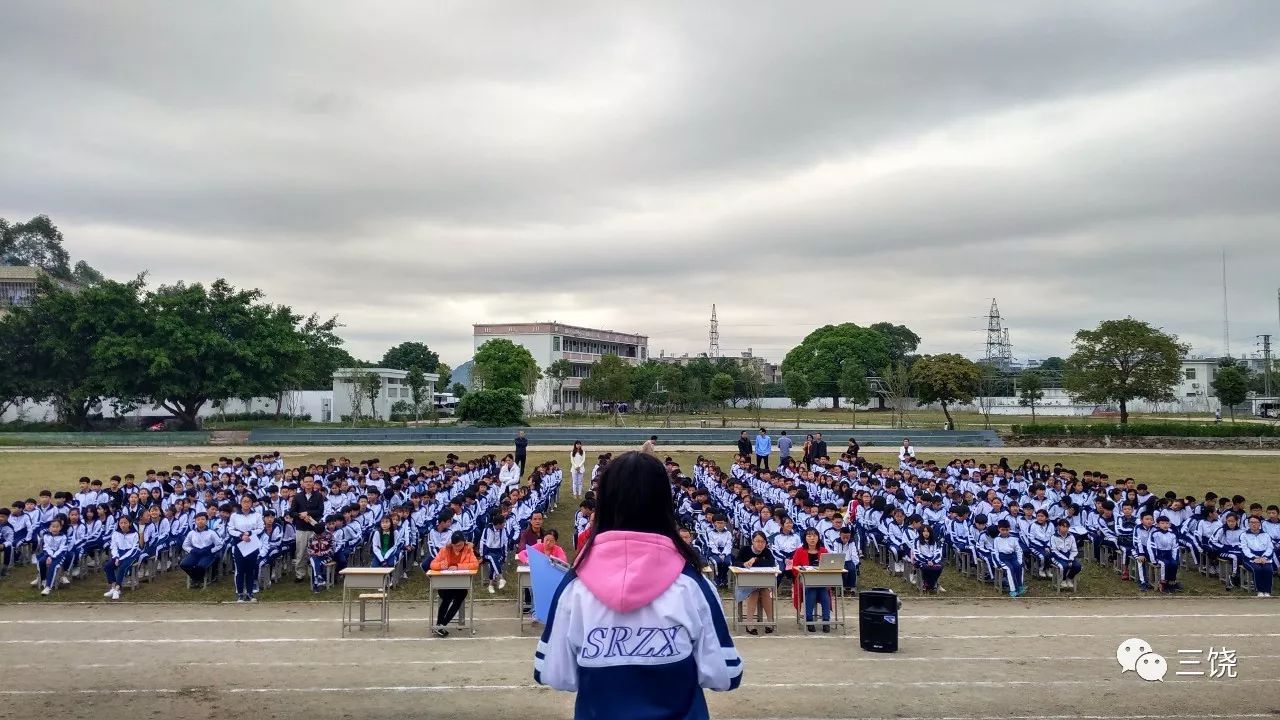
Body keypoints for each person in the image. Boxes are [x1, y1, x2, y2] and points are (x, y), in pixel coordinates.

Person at [534, 451, 742, 716]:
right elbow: (726, 673)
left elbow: (553, 673)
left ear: (605, 504)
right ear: (664, 504)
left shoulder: (574, 587)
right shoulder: (692, 585)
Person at [428, 531, 480, 637]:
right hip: (445, 583)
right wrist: (442, 565)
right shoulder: (444, 550)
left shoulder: (468, 550)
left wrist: (458, 566)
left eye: (460, 545)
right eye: (455, 545)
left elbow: (475, 564)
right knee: (447, 596)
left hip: (460, 584)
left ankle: (442, 624)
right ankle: (440, 625)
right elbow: (433, 564)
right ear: (452, 544)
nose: (458, 547)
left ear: (464, 543)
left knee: (461, 595)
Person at [789, 527, 830, 633]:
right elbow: (794, 569)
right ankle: (809, 620)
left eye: (815, 536)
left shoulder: (823, 551)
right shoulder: (799, 551)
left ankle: (826, 621)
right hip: (805, 582)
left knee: (824, 593)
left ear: (818, 537)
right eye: (809, 536)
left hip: (821, 581)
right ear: (805, 538)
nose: (812, 538)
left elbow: (828, 567)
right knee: (811, 591)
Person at [734, 531, 776, 635]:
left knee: (764, 590)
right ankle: (749, 622)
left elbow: (771, 563)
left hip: (761, 582)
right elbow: (735, 562)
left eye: (762, 541)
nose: (760, 544)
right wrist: (744, 564)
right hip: (744, 584)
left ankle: (770, 621)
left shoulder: (766, 551)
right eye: (757, 541)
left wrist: (756, 560)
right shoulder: (745, 550)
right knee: (755, 591)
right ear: (752, 541)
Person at [227, 494, 264, 602]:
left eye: (248, 501)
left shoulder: (257, 515)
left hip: (252, 544)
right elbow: (230, 529)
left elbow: (261, 528)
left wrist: (250, 533)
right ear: (241, 502)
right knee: (240, 569)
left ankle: (250, 593)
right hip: (239, 544)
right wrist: (241, 535)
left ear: (252, 503)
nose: (246, 503)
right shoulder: (234, 515)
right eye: (244, 501)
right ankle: (240, 593)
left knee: (250, 569)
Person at [289, 475, 324, 583]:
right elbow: (291, 512)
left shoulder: (318, 496)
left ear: (313, 483)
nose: (308, 483)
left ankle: (314, 573)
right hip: (301, 528)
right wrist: (301, 516)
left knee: (314, 552)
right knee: (300, 552)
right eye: (306, 482)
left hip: (314, 528)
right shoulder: (298, 496)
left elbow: (320, 511)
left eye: (310, 481)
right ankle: (300, 574)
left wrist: (308, 514)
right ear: (302, 483)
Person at [102, 515, 142, 601]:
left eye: (125, 523)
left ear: (130, 523)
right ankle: (113, 587)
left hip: (131, 554)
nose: (123, 525)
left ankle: (117, 588)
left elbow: (133, 549)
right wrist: (116, 557)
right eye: (121, 523)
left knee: (122, 566)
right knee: (108, 566)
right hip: (119, 554)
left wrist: (120, 559)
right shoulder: (116, 533)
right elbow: (114, 546)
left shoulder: (134, 534)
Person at [179, 513, 219, 588]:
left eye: (203, 519)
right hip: (195, 553)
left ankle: (198, 580)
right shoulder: (191, 533)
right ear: (195, 521)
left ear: (206, 521)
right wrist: (191, 550)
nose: (200, 521)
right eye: (198, 519)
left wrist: (211, 551)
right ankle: (196, 579)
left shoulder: (212, 533)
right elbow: (185, 545)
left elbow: (219, 544)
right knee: (184, 564)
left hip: (207, 553)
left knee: (201, 566)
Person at [1242, 515, 1276, 598]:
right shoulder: (1244, 535)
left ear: (1260, 524)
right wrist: (1254, 558)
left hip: (1264, 558)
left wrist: (1264, 557)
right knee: (1257, 569)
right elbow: (1244, 549)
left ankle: (1267, 591)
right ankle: (1260, 591)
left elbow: (1270, 548)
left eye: (1256, 522)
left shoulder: (1266, 535)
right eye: (1251, 522)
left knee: (1268, 569)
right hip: (1249, 559)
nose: (1254, 524)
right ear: (1248, 524)